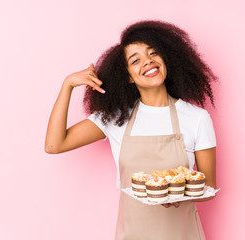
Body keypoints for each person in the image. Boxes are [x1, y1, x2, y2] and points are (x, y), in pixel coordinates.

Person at [45, 20, 217, 240]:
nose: (148, 62)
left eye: (153, 53)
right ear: (126, 75)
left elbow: (209, 187)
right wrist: (67, 84)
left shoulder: (197, 118)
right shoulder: (116, 118)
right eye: (136, 60)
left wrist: (180, 196)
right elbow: (54, 145)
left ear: (166, 59)